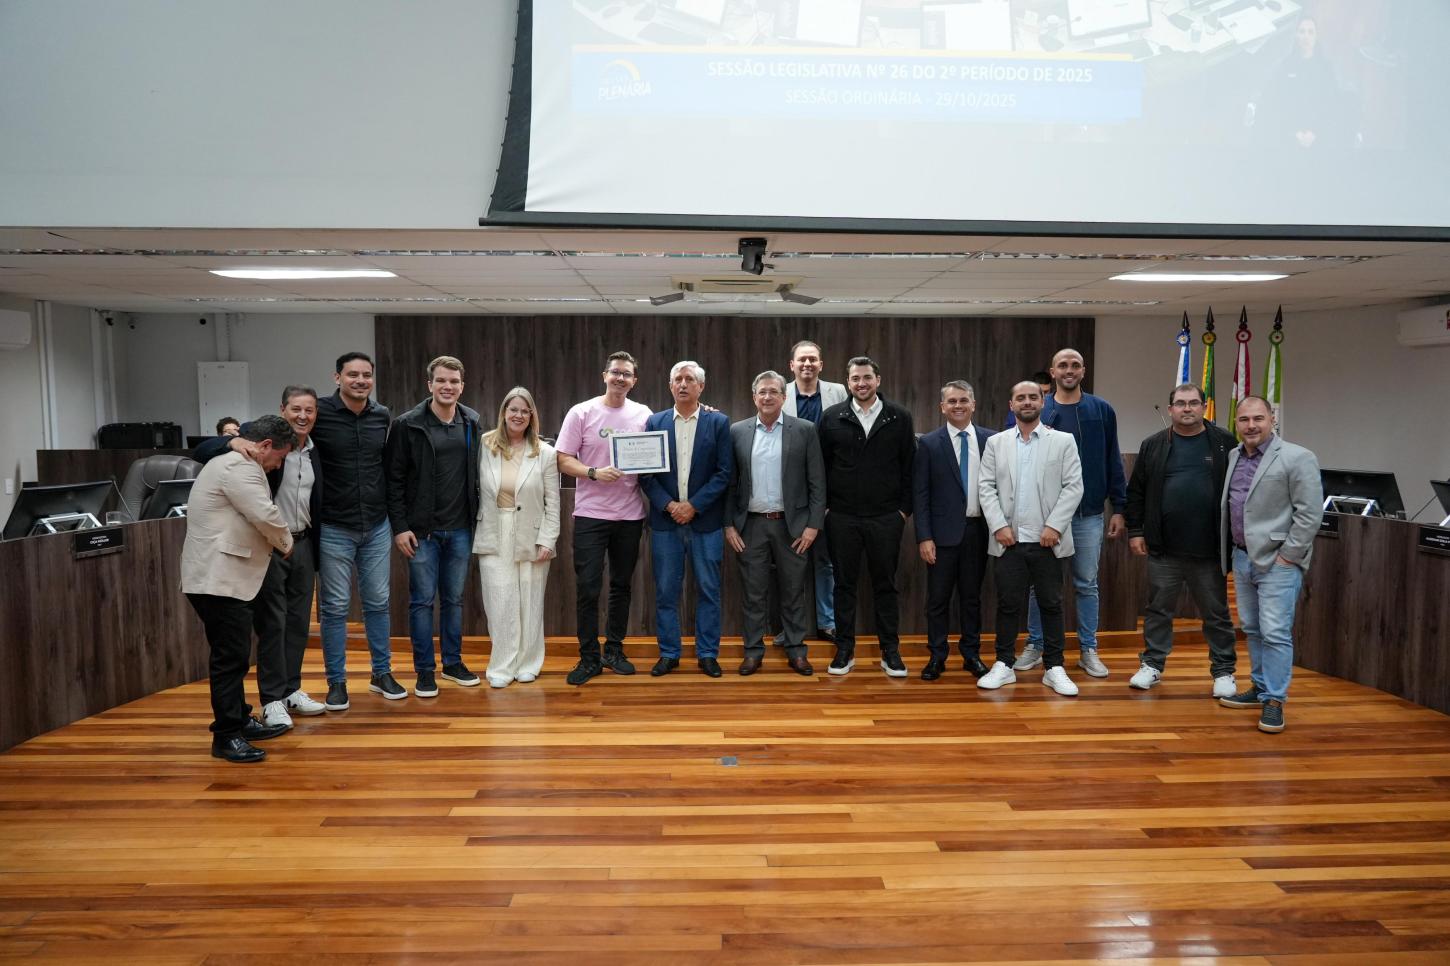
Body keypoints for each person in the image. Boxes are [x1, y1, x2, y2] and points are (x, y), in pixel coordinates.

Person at [193, 386, 327, 728]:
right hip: (270, 547)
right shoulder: (256, 443)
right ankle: (272, 699)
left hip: (303, 543)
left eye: (309, 410)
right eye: (296, 409)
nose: (303, 416)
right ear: (283, 409)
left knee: (298, 624)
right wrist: (232, 442)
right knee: (273, 624)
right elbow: (201, 449)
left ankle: (291, 688)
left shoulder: (315, 448)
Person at [180, 415, 297, 763]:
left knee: (235, 654)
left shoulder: (235, 463)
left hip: (224, 577)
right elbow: (264, 515)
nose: (278, 465)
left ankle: (241, 719)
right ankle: (227, 735)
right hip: (218, 578)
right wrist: (286, 542)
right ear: (265, 446)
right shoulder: (241, 467)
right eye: (280, 457)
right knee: (229, 659)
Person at [1014, 348, 1126, 680]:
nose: (1069, 370)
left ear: (1083, 371)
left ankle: (1088, 649)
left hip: (1088, 515)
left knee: (1086, 584)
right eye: (1062, 365)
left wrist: (1119, 507)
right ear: (1052, 372)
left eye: (1075, 365)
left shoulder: (1101, 409)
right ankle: (1035, 644)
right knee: (1039, 585)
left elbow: (1112, 458)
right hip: (1044, 518)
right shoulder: (1039, 408)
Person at [1124, 383, 1239, 695]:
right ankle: (1152, 665)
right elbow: (1136, 492)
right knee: (1158, 610)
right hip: (1164, 549)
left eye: (1193, 403)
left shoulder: (1224, 442)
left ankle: (1223, 672)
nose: (1187, 408)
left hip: (1210, 549)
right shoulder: (1153, 444)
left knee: (1216, 613)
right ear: (1170, 409)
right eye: (1180, 403)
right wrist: (1136, 531)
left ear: (1203, 407)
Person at [1218, 396, 1324, 733]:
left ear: (1272, 419)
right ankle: (1260, 688)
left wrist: (1288, 555)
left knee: (1275, 632)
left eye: (1258, 418)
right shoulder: (1234, 455)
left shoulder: (1298, 457)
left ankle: (1275, 700)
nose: (1251, 425)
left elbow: (1310, 514)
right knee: (1252, 628)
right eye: (1244, 419)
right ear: (1237, 422)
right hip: (1241, 556)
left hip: (1279, 560)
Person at [978, 381, 1084, 696]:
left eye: (1033, 397)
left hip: (1047, 541)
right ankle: (1004, 664)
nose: (1027, 402)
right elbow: (986, 487)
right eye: (1020, 398)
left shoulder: (1063, 441)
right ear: (1011, 405)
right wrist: (998, 525)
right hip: (1008, 541)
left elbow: (1074, 486)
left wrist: (1055, 526)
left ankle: (1054, 667)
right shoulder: (996, 443)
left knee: (1051, 604)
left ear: (1042, 402)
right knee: (1008, 605)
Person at [386, 355, 484, 697]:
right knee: (422, 602)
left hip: (460, 529)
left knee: (454, 601)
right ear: (429, 384)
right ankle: (425, 671)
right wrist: (400, 527)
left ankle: (453, 663)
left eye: (454, 381)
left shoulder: (471, 421)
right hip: (421, 532)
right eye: (441, 380)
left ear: (462, 386)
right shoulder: (407, 424)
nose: (447, 386)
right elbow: (393, 480)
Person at [556, 350, 652, 686]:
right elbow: (563, 459)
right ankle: (589, 658)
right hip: (590, 516)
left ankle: (614, 650)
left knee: (621, 586)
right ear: (605, 376)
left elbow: (657, 451)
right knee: (588, 587)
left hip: (630, 516)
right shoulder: (581, 412)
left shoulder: (643, 414)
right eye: (615, 372)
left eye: (627, 374)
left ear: (634, 381)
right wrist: (593, 472)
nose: (620, 378)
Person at [816, 356, 915, 677]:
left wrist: (903, 511)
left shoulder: (899, 417)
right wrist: (826, 509)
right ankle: (844, 650)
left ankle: (890, 651)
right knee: (843, 586)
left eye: (867, 377)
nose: (862, 383)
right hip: (842, 517)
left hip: (886, 517)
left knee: (885, 585)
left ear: (878, 380)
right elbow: (820, 468)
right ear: (848, 382)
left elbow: (910, 467)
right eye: (856, 378)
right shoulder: (832, 417)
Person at [312, 351, 401, 708]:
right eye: (353, 375)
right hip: (334, 525)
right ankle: (336, 682)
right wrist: (234, 440)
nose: (361, 381)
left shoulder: (381, 415)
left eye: (366, 375)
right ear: (337, 378)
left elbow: (387, 467)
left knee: (378, 603)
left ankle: (381, 673)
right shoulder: (318, 413)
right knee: (334, 608)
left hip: (376, 525)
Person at [724, 370, 825, 676]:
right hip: (751, 526)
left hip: (792, 527)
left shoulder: (804, 430)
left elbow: (817, 481)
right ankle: (753, 652)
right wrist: (729, 525)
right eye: (762, 392)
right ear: (754, 397)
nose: (767, 397)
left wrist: (813, 526)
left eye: (773, 392)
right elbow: (730, 483)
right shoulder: (737, 431)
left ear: (784, 396)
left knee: (793, 592)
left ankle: (796, 650)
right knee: (753, 594)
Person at [641, 361, 733, 677]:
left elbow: (724, 473)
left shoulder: (718, 422)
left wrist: (693, 506)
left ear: (700, 386)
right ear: (670, 386)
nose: (683, 384)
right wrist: (670, 506)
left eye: (689, 379)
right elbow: (646, 474)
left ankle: (708, 654)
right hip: (665, 523)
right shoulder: (655, 422)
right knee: (666, 592)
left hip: (705, 523)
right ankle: (669, 653)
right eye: (677, 379)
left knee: (709, 590)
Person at [473, 387, 559, 688]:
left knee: (531, 601)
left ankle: (528, 663)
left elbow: (553, 502)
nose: (519, 415)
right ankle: (502, 666)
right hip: (493, 529)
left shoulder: (545, 452)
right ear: (504, 412)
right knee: (500, 601)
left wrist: (548, 539)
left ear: (532, 415)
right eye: (514, 410)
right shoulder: (485, 444)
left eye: (525, 410)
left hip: (532, 534)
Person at [913, 380, 994, 681]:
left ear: (973, 404)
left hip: (978, 532)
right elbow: (920, 494)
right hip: (941, 536)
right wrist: (924, 536)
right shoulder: (929, 443)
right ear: (942, 407)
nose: (958, 406)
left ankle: (971, 655)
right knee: (937, 600)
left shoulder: (991, 440)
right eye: (952, 401)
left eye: (963, 400)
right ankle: (937, 656)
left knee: (972, 598)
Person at [784, 340, 848, 644]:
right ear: (792, 365)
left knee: (826, 561)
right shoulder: (779, 392)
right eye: (802, 360)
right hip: (791, 493)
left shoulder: (839, 392)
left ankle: (828, 622)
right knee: (790, 564)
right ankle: (789, 627)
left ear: (821, 365)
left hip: (830, 491)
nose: (807, 364)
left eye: (812, 359)